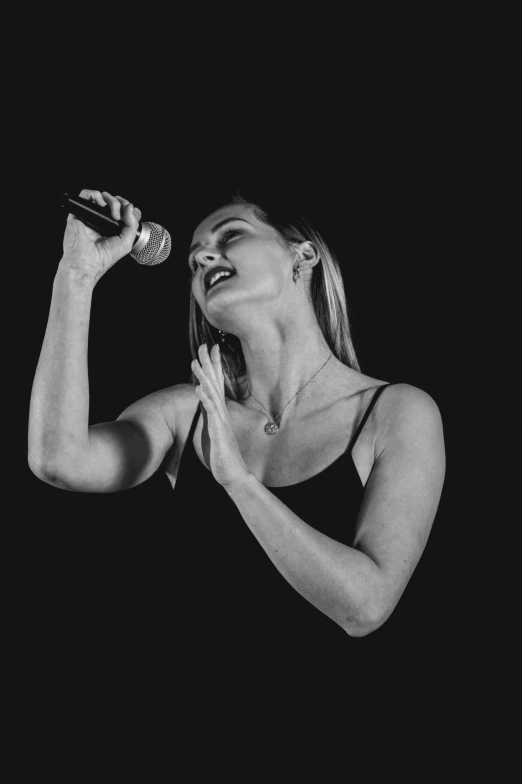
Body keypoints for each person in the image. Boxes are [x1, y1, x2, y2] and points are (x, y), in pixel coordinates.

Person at [28, 186, 446, 703]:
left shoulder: (395, 412)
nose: (202, 256)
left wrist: (239, 483)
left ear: (303, 255)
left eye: (230, 235)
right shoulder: (188, 413)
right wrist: (77, 276)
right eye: (193, 258)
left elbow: (364, 608)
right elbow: (57, 458)